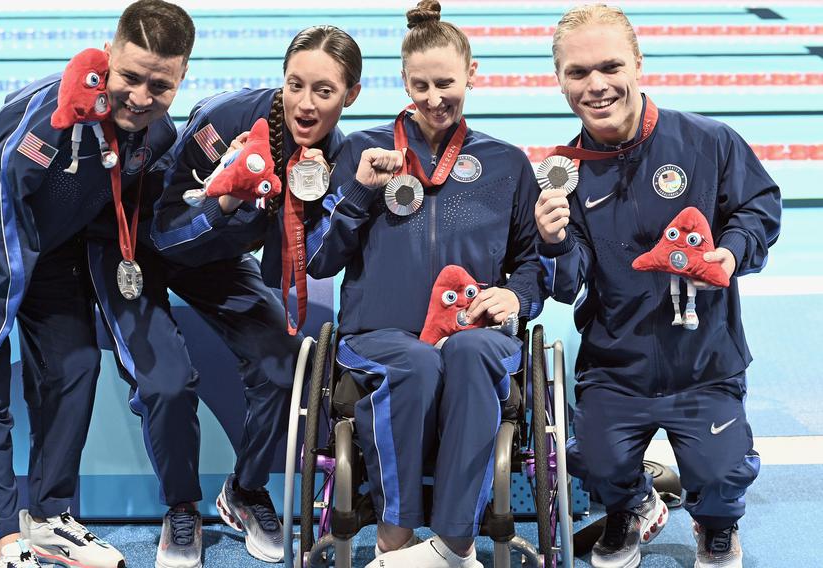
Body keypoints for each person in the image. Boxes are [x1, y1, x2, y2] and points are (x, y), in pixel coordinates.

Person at [0, 1, 194, 567]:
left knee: (75, 365)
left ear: (183, 75)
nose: (141, 96)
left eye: (160, 84)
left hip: (42, 243)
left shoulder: (156, 133)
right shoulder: (50, 114)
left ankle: (49, 518)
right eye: (131, 77)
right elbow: (3, 209)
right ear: (108, 58)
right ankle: (7, 538)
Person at [86, 25, 362, 565]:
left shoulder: (334, 157)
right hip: (137, 247)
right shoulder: (226, 119)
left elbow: (291, 256)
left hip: (214, 259)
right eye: (295, 85)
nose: (305, 104)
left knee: (283, 364)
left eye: (324, 91)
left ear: (350, 95)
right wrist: (224, 201)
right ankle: (181, 507)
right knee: (166, 384)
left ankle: (244, 491)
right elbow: (164, 232)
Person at [534, 4, 781, 568]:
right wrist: (552, 242)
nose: (595, 85)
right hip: (615, 366)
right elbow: (569, 281)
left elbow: (759, 208)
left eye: (609, 66)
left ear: (638, 63)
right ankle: (633, 503)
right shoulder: (561, 172)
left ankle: (716, 527)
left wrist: (733, 249)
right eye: (577, 73)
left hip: (705, 364)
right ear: (559, 80)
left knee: (722, 473)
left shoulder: (707, 142)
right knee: (588, 460)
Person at [306, 2, 547, 567]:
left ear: (473, 74)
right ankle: (395, 536)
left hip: (477, 334)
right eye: (421, 85)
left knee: (465, 351)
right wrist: (360, 192)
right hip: (379, 337)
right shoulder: (358, 153)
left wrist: (516, 296)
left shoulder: (507, 164)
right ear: (404, 81)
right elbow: (319, 259)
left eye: (446, 83)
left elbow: (535, 263)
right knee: (416, 361)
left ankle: (453, 544)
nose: (434, 98)